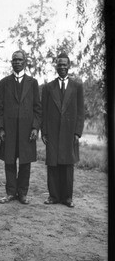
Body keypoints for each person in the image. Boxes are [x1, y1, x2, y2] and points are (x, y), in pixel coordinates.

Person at [0, 50, 42, 204]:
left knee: (25, 163)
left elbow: (37, 108)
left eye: (19, 60)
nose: (17, 62)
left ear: (25, 62)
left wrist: (35, 128)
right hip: (8, 131)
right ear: (11, 62)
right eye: (14, 60)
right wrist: (1, 128)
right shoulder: (4, 82)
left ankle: (22, 194)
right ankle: (10, 193)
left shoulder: (33, 83)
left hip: (26, 131)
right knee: (9, 161)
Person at [41, 52, 85, 208]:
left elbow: (81, 111)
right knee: (53, 164)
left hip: (69, 132)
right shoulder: (48, 87)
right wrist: (44, 132)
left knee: (67, 165)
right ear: (56, 66)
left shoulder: (77, 86)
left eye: (64, 65)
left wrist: (77, 132)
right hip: (52, 131)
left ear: (69, 66)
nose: (62, 67)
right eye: (59, 64)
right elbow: (44, 111)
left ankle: (67, 197)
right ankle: (53, 196)